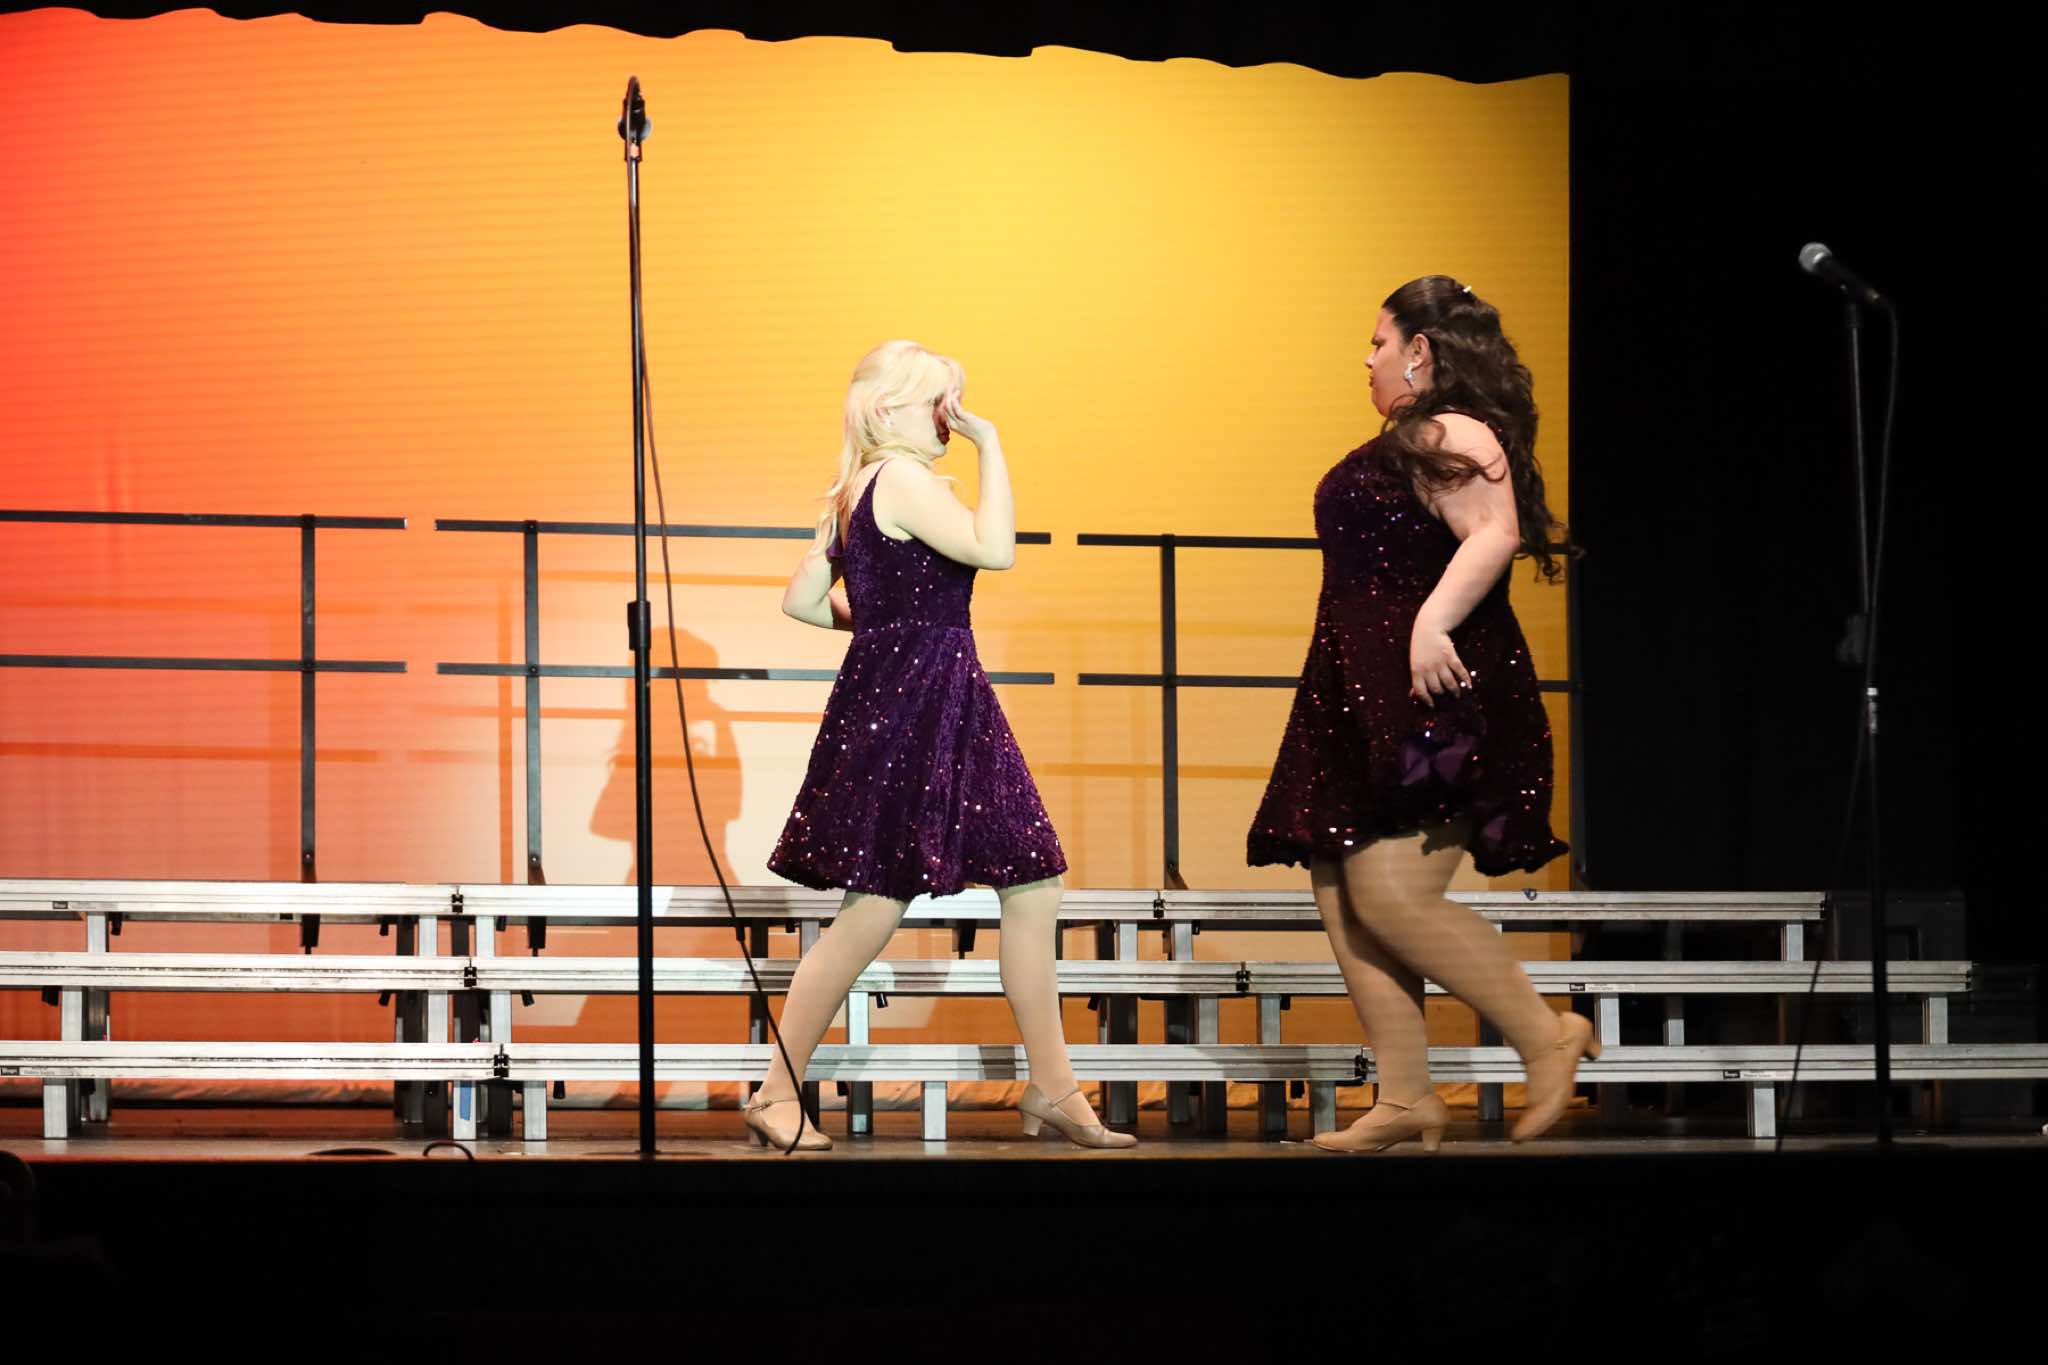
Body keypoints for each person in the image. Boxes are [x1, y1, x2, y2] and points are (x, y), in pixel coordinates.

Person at [753, 339, 1135, 1151]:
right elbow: (996, 549)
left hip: (927, 695)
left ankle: (1054, 1084)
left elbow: (802, 602)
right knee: (872, 908)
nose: (950, 417)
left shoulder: (859, 488)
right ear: (887, 408)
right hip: (922, 701)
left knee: (1032, 880)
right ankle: (776, 1092)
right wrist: (991, 443)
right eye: (940, 401)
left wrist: (887, 625)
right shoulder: (900, 479)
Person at [1247, 277, 1592, 1152]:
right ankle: (1405, 1095)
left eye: (1378, 342)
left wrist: (1432, 622)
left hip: (1433, 693)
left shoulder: (1456, 431)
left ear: (1420, 350)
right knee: (1341, 889)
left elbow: (1495, 532)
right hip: (1358, 692)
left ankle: (1547, 1034)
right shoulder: (1413, 439)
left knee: (1390, 892)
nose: (1366, 358)